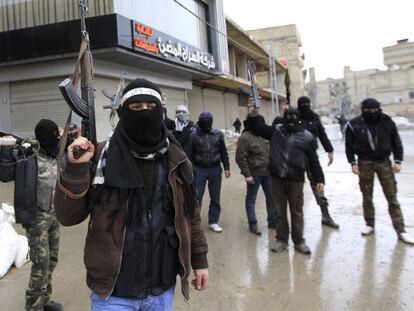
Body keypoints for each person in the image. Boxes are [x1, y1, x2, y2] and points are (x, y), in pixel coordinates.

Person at [54, 78, 209, 309]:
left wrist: (199, 260)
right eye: (136, 108)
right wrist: (75, 169)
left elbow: (191, 216)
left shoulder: (177, 160)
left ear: (161, 112)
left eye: (151, 107)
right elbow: (67, 216)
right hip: (114, 291)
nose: (144, 114)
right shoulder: (99, 157)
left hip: (161, 287)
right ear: (124, 113)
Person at [254, 108, 325, 255]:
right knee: (279, 212)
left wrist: (319, 179)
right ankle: (281, 240)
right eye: (288, 117)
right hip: (276, 179)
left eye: (294, 117)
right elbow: (257, 127)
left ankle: (299, 241)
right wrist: (254, 111)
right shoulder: (276, 131)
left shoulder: (307, 137)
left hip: (296, 180)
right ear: (283, 118)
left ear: (299, 118)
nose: (291, 119)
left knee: (297, 212)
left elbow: (313, 160)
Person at [345, 98, 414, 244]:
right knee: (367, 195)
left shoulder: (387, 121)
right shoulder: (354, 124)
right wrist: (352, 162)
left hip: (384, 162)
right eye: (369, 111)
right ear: (363, 111)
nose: (373, 113)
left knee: (392, 197)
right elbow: (349, 146)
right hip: (364, 162)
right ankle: (369, 224)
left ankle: (401, 230)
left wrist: (398, 161)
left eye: (375, 111)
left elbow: (396, 142)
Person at [25, 119, 63, 311]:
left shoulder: (56, 154)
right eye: (55, 135)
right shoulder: (29, 156)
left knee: (52, 259)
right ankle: (33, 306)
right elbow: (6, 173)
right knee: (41, 264)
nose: (57, 138)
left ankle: (45, 300)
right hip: (37, 218)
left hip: (55, 214)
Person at [297, 96, 339, 229]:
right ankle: (297, 218)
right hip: (296, 155)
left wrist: (329, 150)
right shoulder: (294, 116)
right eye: (303, 105)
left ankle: (325, 215)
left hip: (311, 155)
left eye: (307, 105)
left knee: (318, 184)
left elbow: (322, 133)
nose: (305, 107)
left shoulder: (314, 117)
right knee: (295, 188)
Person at [189, 112, 230, 233]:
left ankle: (213, 221)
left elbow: (223, 152)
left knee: (215, 197)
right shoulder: (194, 135)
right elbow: (189, 154)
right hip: (199, 170)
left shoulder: (218, 134)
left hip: (215, 170)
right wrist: (190, 170)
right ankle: (194, 223)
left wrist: (227, 167)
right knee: (197, 197)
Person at [235, 113, 276, 235]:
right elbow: (240, 158)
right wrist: (247, 174)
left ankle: (272, 221)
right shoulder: (245, 138)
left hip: (268, 173)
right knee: (251, 198)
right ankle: (252, 223)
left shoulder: (265, 135)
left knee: (271, 197)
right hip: (254, 174)